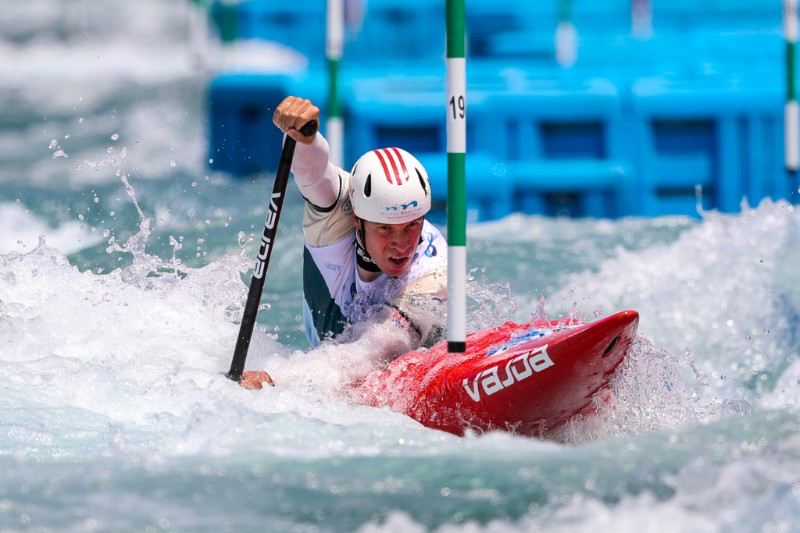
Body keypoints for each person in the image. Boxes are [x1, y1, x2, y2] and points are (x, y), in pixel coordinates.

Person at [240, 96, 447, 390]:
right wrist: (305, 136)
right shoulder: (339, 211)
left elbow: (381, 348)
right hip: (321, 367)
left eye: (412, 225)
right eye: (386, 229)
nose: (402, 244)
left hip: (387, 359)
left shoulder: (434, 263)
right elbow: (314, 174)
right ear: (358, 220)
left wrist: (278, 379)